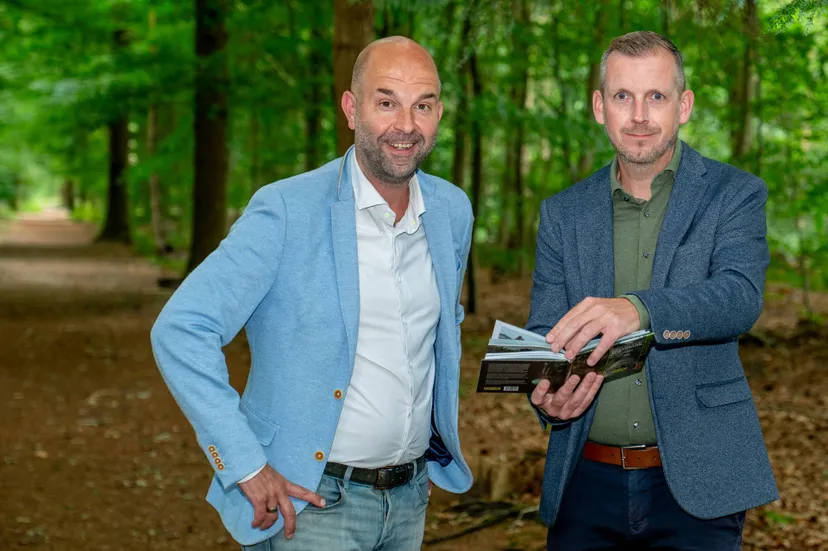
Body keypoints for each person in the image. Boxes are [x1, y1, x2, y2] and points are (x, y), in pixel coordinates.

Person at [150, 36, 474, 550]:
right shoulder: (287, 210)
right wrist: (245, 464)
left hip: (410, 498)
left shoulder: (451, 211)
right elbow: (181, 329)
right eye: (386, 102)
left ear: (439, 114)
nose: (406, 125)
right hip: (314, 505)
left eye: (423, 105)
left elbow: (434, 336)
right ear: (352, 108)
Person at [526, 31, 778, 550]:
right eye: (623, 96)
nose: (639, 115)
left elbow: (738, 297)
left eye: (656, 96)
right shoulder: (563, 213)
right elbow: (544, 330)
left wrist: (638, 310)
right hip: (583, 482)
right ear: (600, 107)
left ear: (683, 106)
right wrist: (548, 398)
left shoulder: (734, 194)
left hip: (700, 482)